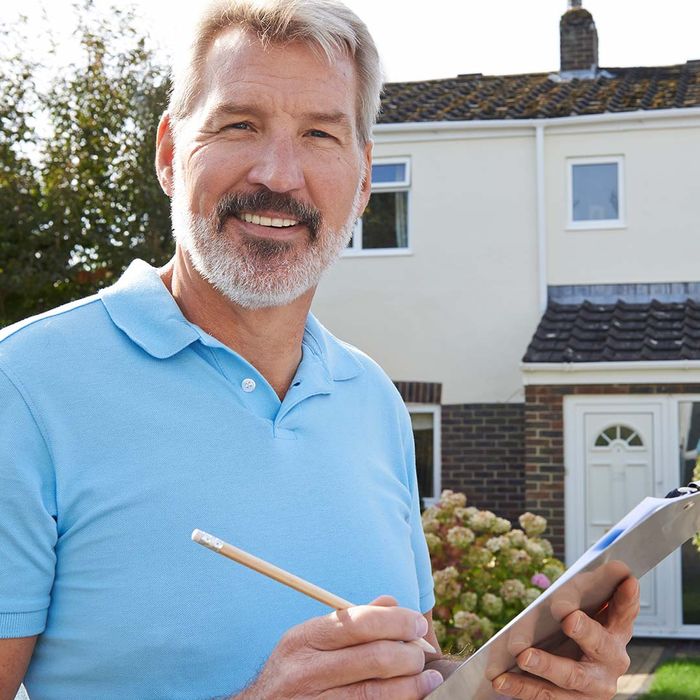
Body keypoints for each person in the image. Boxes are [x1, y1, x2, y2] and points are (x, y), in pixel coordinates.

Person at [0, 1, 639, 698]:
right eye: (239, 124)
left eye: (319, 135)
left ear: (364, 178)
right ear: (169, 152)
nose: (278, 175)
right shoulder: (23, 386)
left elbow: (408, 669)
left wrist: (515, 683)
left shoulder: (374, 401)